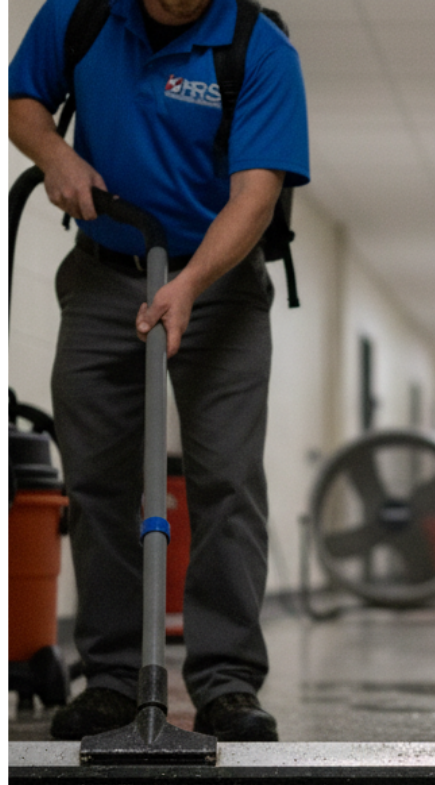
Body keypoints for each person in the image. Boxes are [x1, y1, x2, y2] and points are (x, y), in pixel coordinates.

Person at [9, 0, 309, 741]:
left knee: (226, 480)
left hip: (220, 285)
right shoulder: (78, 16)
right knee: (98, 477)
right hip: (105, 275)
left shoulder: (259, 49)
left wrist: (190, 283)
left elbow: (255, 194)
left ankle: (226, 682)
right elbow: (23, 105)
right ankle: (110, 678)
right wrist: (55, 153)